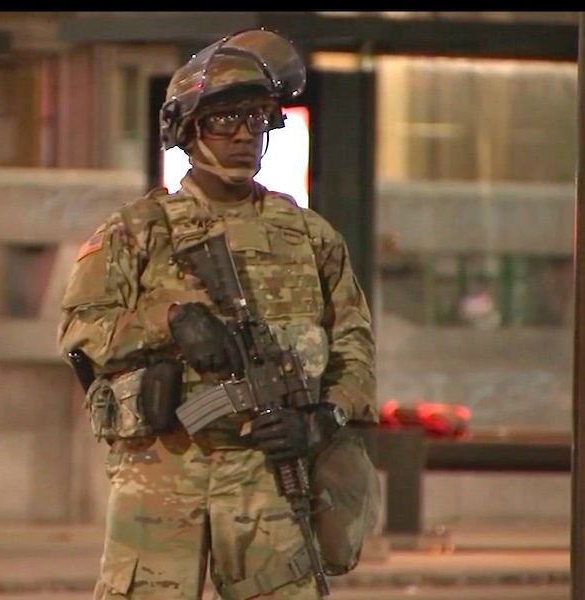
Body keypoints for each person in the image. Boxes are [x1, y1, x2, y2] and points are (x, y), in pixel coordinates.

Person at [58, 28, 378, 600]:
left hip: (269, 472)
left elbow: (353, 346)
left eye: (256, 119)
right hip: (163, 469)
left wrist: (323, 420)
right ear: (187, 131)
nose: (243, 137)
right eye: (223, 121)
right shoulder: (138, 231)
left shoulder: (309, 235)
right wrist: (172, 320)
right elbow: (81, 332)